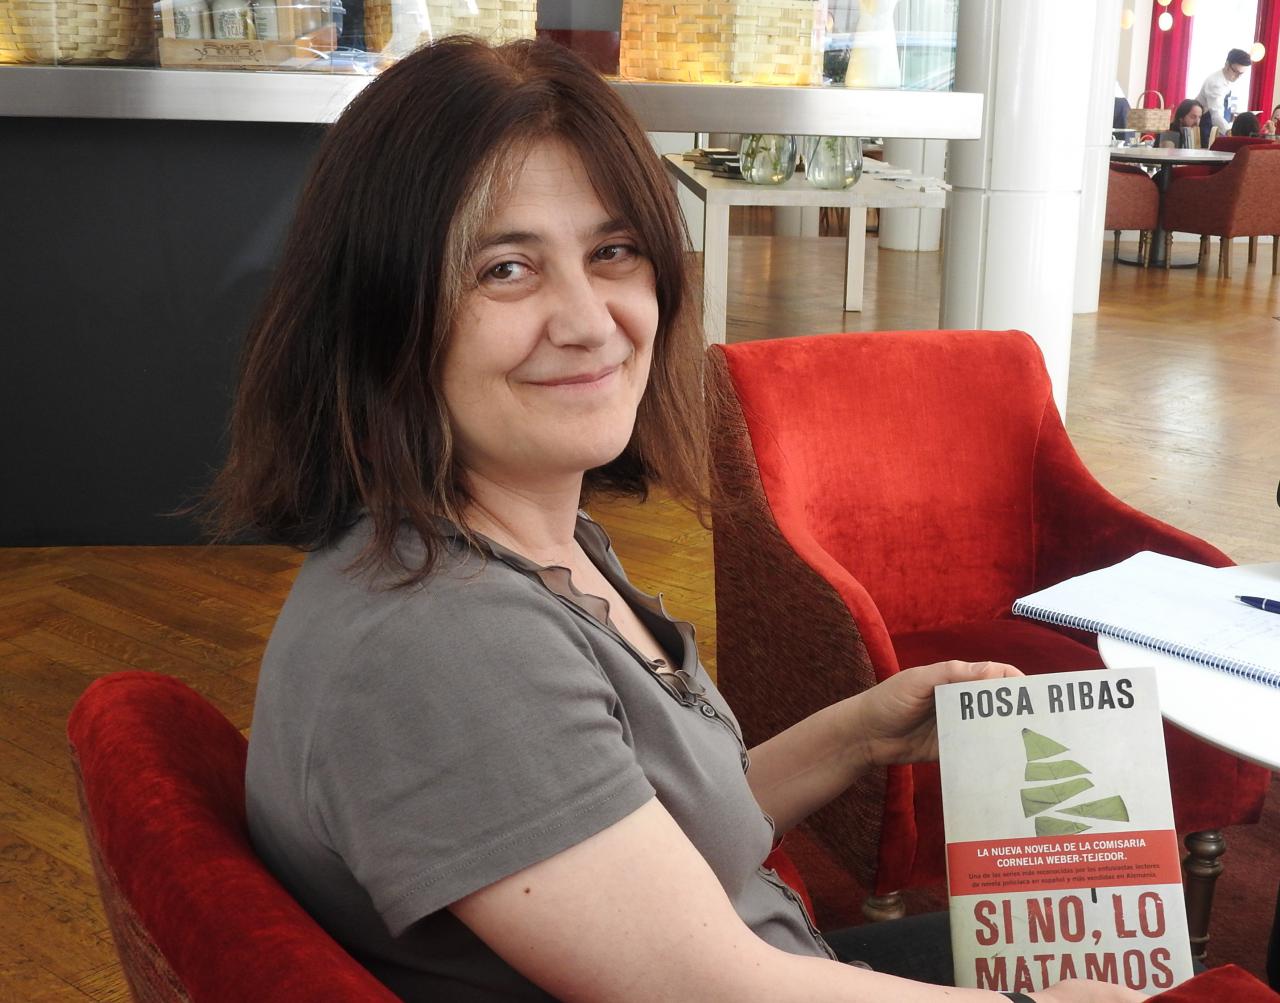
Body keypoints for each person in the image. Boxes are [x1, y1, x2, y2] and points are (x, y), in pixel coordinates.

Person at [209, 36, 1145, 1003]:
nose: (589, 320)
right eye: (506, 269)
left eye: (611, 252)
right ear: (379, 313)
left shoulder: (521, 544)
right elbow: (716, 988)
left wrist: (856, 737)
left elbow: (630, 832)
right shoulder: (446, 645)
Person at [1194, 47, 1252, 145]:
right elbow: (1216, 115)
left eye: (1241, 74)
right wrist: (1230, 132)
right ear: (1227, 64)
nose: (1238, 77)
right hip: (1207, 127)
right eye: (1236, 72)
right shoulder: (1215, 83)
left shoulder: (1229, 79)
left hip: (1219, 127)